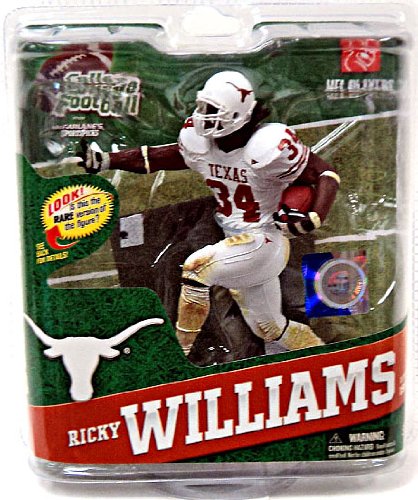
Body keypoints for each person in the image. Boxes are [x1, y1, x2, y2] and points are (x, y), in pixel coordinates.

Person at [79, 70, 340, 356]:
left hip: (263, 239)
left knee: (196, 268)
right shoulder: (201, 145)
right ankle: (323, 354)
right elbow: (158, 157)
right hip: (234, 239)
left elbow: (324, 173)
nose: (203, 115)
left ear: (238, 114)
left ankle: (179, 353)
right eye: (203, 106)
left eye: (212, 110)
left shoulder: (266, 147)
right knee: (269, 328)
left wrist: (314, 215)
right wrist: (107, 160)